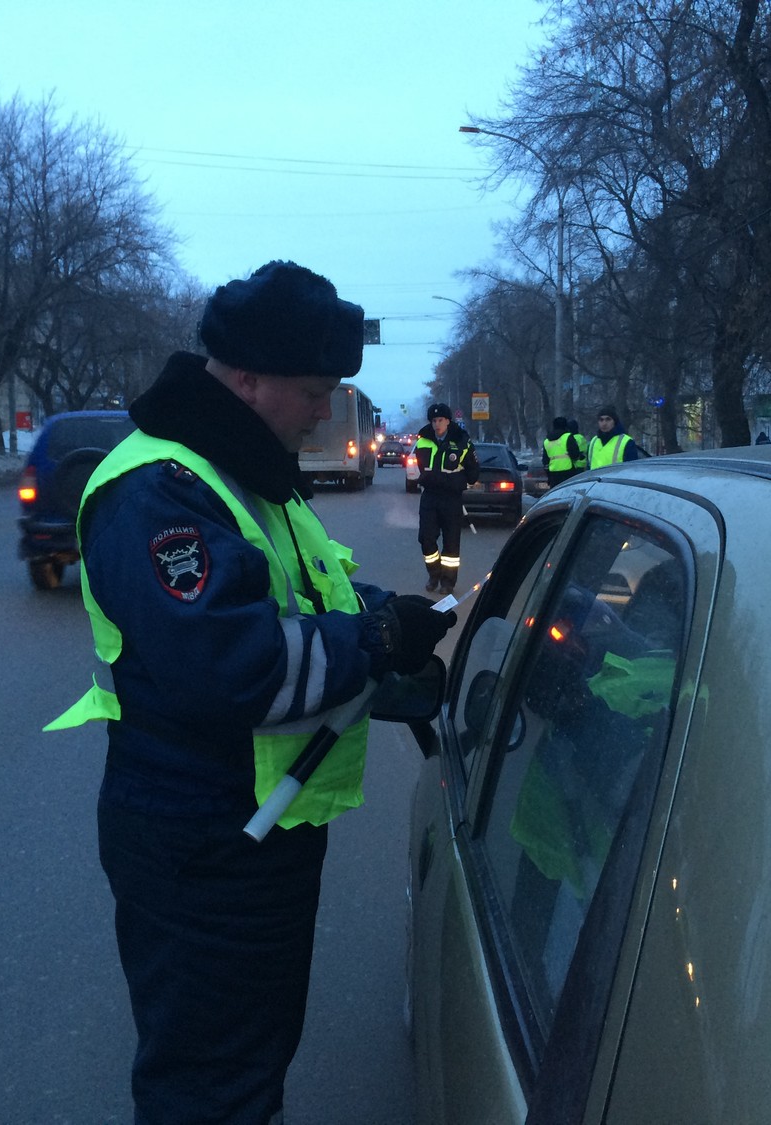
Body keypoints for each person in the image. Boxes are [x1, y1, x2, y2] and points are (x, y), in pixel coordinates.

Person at [44, 260, 455, 1125]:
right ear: (246, 378)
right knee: (209, 1083)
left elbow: (311, 602)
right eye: (314, 390)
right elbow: (234, 667)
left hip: (253, 828)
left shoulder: (244, 474)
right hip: (200, 839)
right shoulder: (163, 490)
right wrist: (372, 643)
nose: (325, 408)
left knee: (249, 1060)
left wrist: (388, 625)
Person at [413, 401, 479, 595]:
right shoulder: (423, 440)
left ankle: (448, 582)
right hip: (430, 497)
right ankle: (434, 574)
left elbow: (473, 472)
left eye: (440, 420)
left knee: (451, 542)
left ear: (448, 421)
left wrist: (457, 481)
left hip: (451, 498)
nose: (436, 424)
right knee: (426, 539)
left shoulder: (461, 441)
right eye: (433, 420)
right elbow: (419, 464)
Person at [541, 416, 580, 488]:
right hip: (568, 473)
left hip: (553, 474)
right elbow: (575, 454)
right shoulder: (568, 437)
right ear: (565, 426)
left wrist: (548, 475)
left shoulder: (546, 441)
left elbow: (545, 460)